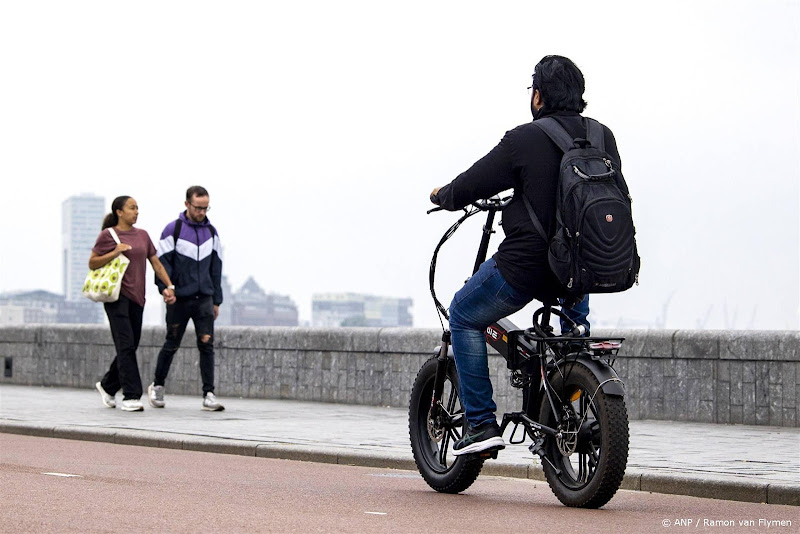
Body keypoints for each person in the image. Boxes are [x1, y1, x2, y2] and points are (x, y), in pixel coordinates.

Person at [429, 55, 621, 455]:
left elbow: (473, 182)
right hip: (582, 268)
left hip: (528, 267)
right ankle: (562, 405)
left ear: (538, 96)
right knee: (569, 342)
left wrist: (444, 196)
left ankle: (481, 425)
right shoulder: (604, 138)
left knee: (463, 312)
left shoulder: (523, 139)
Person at [91, 196, 176, 412]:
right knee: (126, 345)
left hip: (138, 298)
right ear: (119, 212)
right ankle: (131, 395)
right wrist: (114, 251)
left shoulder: (142, 236)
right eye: (132, 208)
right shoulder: (108, 235)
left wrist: (169, 286)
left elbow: (156, 263)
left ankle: (108, 386)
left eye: (137, 208)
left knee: (130, 345)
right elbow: (93, 262)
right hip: (117, 298)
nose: (136, 212)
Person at [148, 186, 225, 411]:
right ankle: (158, 386)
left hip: (205, 299)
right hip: (179, 298)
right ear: (187, 204)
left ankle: (209, 394)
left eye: (205, 208)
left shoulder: (212, 232)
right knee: (171, 343)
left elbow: (217, 267)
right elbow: (161, 263)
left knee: (207, 345)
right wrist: (165, 288)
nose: (202, 212)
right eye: (197, 207)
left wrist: (216, 300)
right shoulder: (174, 230)